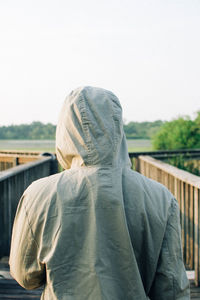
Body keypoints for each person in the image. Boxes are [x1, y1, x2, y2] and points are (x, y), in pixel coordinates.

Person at [9, 86, 190, 299]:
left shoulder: (37, 194)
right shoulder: (161, 198)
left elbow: (25, 276)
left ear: (65, 131)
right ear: (117, 128)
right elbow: (170, 289)